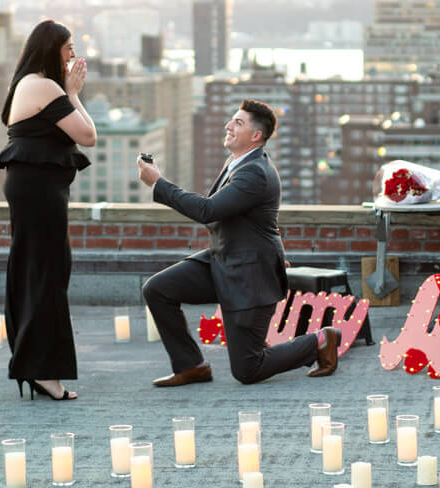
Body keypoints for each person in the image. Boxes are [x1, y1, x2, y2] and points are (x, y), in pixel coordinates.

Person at [137, 98, 340, 386]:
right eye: (232, 120)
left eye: (238, 123)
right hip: (223, 260)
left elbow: (207, 211)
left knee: (248, 369)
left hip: (249, 276)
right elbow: (250, 218)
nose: (228, 126)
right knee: (158, 289)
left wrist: (159, 184)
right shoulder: (238, 163)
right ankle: (191, 366)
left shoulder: (254, 172)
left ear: (256, 136)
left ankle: (321, 340)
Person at [0, 19, 96, 401]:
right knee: (47, 274)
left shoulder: (30, 83)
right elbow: (87, 136)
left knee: (38, 270)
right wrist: (72, 92)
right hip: (38, 190)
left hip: (35, 187)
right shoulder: (43, 84)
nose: (72, 54)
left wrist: (70, 93)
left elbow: (87, 135)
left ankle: (34, 365)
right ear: (50, 48)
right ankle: (41, 371)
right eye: (67, 47)